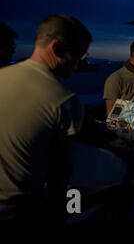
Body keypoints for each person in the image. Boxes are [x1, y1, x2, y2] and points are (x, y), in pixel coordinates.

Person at [0, 14, 91, 223]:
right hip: (19, 213)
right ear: (57, 49)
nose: (79, 64)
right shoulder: (65, 101)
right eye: (79, 56)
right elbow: (60, 176)